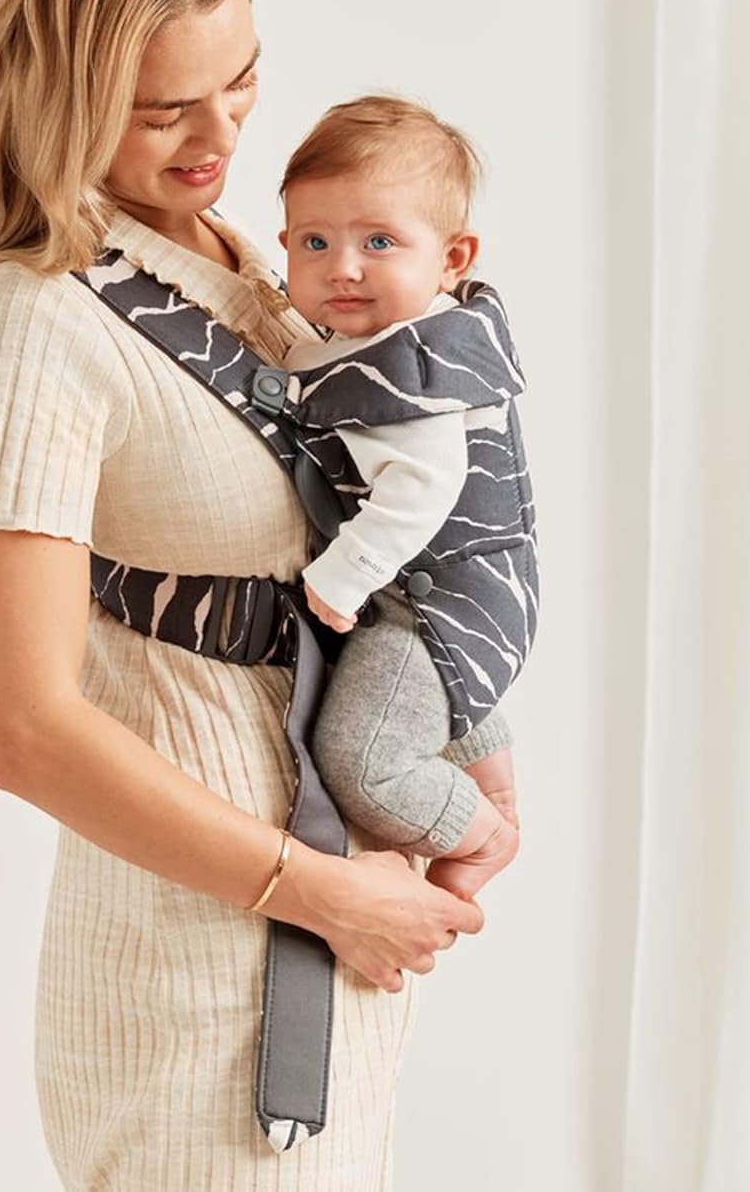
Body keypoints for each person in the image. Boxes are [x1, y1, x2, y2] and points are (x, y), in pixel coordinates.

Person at [0, 0, 491, 1190]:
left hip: (334, 931)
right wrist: (326, 893)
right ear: (58, 98)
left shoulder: (241, 262)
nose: (219, 137)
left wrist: (468, 773)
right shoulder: (34, 320)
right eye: (164, 109)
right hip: (200, 976)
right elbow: (24, 730)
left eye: (240, 81)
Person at [276, 95, 530, 901]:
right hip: (464, 597)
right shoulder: (392, 336)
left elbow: (423, 488)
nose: (342, 267)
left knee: (363, 761)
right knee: (403, 685)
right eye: (315, 242)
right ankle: (489, 789)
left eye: (378, 242)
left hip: (436, 603)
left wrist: (340, 577)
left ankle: (482, 835)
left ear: (452, 258)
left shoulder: (407, 366)